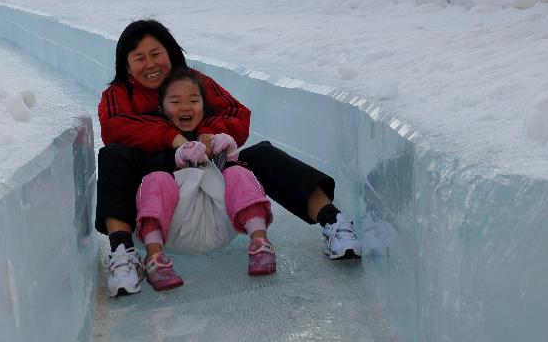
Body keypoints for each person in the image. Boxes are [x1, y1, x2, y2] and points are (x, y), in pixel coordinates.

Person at [98, 19, 361, 297]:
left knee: (261, 155)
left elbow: (237, 113)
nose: (150, 64)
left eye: (156, 54)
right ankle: (123, 254)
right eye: (139, 58)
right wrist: (174, 140)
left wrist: (209, 135)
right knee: (113, 156)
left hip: (213, 184)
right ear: (126, 66)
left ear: (170, 53)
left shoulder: (195, 81)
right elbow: (113, 127)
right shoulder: (118, 95)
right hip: (157, 192)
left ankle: (333, 223)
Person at [131, 68, 275, 293]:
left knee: (238, 174)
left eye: (194, 100)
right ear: (161, 108)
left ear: (203, 106)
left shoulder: (209, 134)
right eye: (175, 101)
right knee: (156, 180)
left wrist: (227, 152)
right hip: (175, 223)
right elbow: (143, 166)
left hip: (218, 220)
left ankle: (260, 243)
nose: (186, 107)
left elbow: (227, 173)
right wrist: (176, 156)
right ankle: (155, 257)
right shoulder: (156, 136)